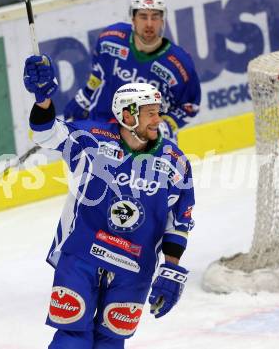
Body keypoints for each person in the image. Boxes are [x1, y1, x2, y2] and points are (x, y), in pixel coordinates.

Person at [23, 54, 195, 349]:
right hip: (82, 255)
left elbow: (178, 221)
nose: (158, 119)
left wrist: (172, 267)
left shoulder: (174, 160)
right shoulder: (91, 140)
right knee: (71, 338)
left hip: (134, 266)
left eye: (157, 112)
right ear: (128, 116)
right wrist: (43, 101)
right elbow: (47, 133)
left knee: (111, 343)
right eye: (150, 113)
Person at [63, 0, 201, 143]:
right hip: (104, 129)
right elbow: (98, 74)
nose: (149, 24)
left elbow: (189, 106)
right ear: (133, 19)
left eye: (155, 17)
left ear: (162, 20)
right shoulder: (110, 40)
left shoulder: (179, 64)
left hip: (148, 139)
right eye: (143, 16)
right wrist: (84, 97)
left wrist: (165, 126)